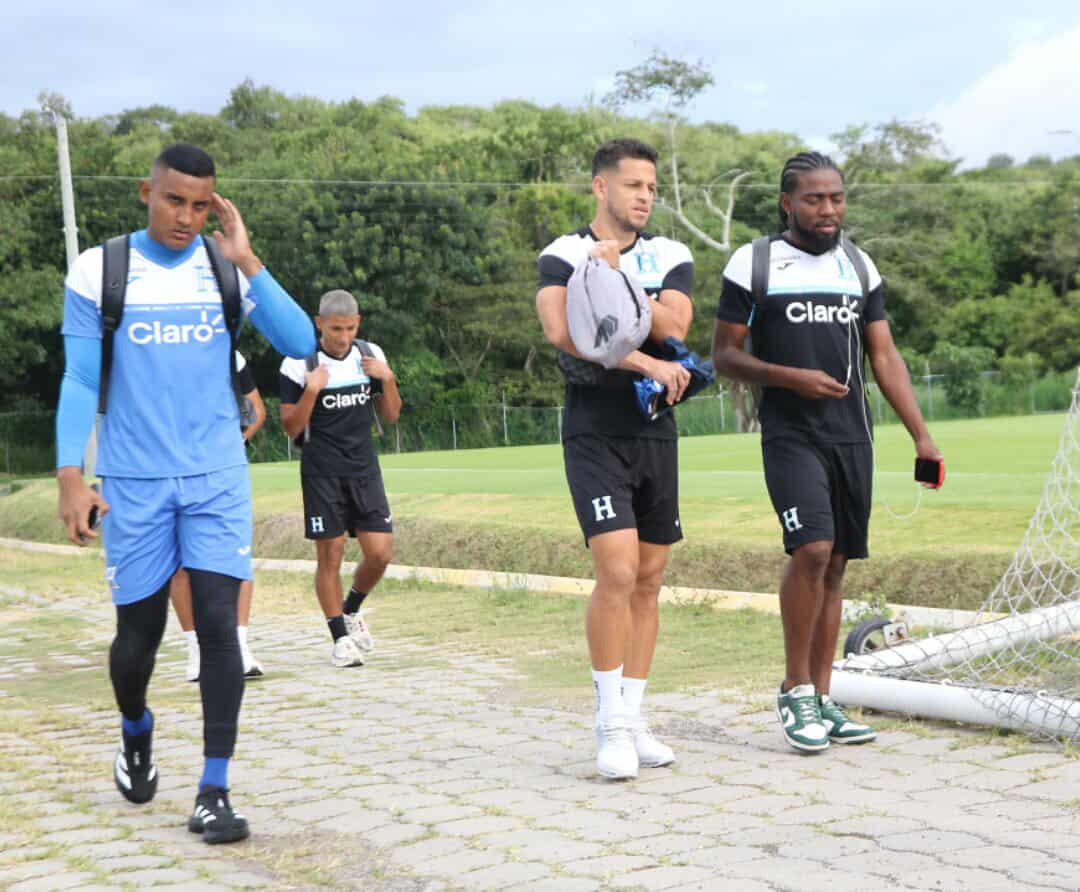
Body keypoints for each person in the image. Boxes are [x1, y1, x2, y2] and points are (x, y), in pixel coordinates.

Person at [55, 143, 316, 842]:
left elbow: (301, 341)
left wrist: (247, 257)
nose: (187, 216)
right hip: (134, 483)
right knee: (136, 640)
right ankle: (136, 732)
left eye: (202, 205)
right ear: (147, 191)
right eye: (175, 200)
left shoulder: (223, 266)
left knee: (219, 623)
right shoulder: (100, 269)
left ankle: (214, 790)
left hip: (215, 476)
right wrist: (71, 476)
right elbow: (81, 380)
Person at [712, 151, 941, 753]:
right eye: (814, 198)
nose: (829, 209)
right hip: (790, 434)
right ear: (788, 203)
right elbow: (725, 357)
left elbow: (885, 357)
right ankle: (794, 691)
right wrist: (791, 377)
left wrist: (921, 433)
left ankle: (823, 696)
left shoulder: (858, 266)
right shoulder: (754, 262)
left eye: (836, 197)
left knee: (836, 564)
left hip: (852, 436)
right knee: (810, 549)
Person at [536, 138, 694, 780]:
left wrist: (617, 278)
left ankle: (634, 718)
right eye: (634, 186)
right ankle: (607, 724)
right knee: (618, 571)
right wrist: (646, 359)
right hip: (593, 429)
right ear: (601, 188)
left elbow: (676, 327)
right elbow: (564, 333)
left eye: (652, 188)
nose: (645, 197)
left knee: (651, 578)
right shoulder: (562, 253)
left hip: (655, 432)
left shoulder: (670, 254)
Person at [278, 290, 402, 668]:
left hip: (364, 468)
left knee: (380, 553)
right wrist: (312, 389)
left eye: (349, 328)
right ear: (319, 324)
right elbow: (291, 428)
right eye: (335, 329)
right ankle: (339, 639)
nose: (343, 337)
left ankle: (351, 609)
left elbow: (392, 416)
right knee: (329, 556)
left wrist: (389, 378)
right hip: (322, 472)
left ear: (358, 323)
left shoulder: (370, 354)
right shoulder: (298, 364)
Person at [172, 351, 266, 682]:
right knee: (180, 564)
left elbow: (256, 410)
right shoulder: (151, 348)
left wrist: (230, 444)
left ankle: (240, 648)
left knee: (236, 561)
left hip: (222, 473)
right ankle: (196, 650)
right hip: (170, 468)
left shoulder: (229, 354)